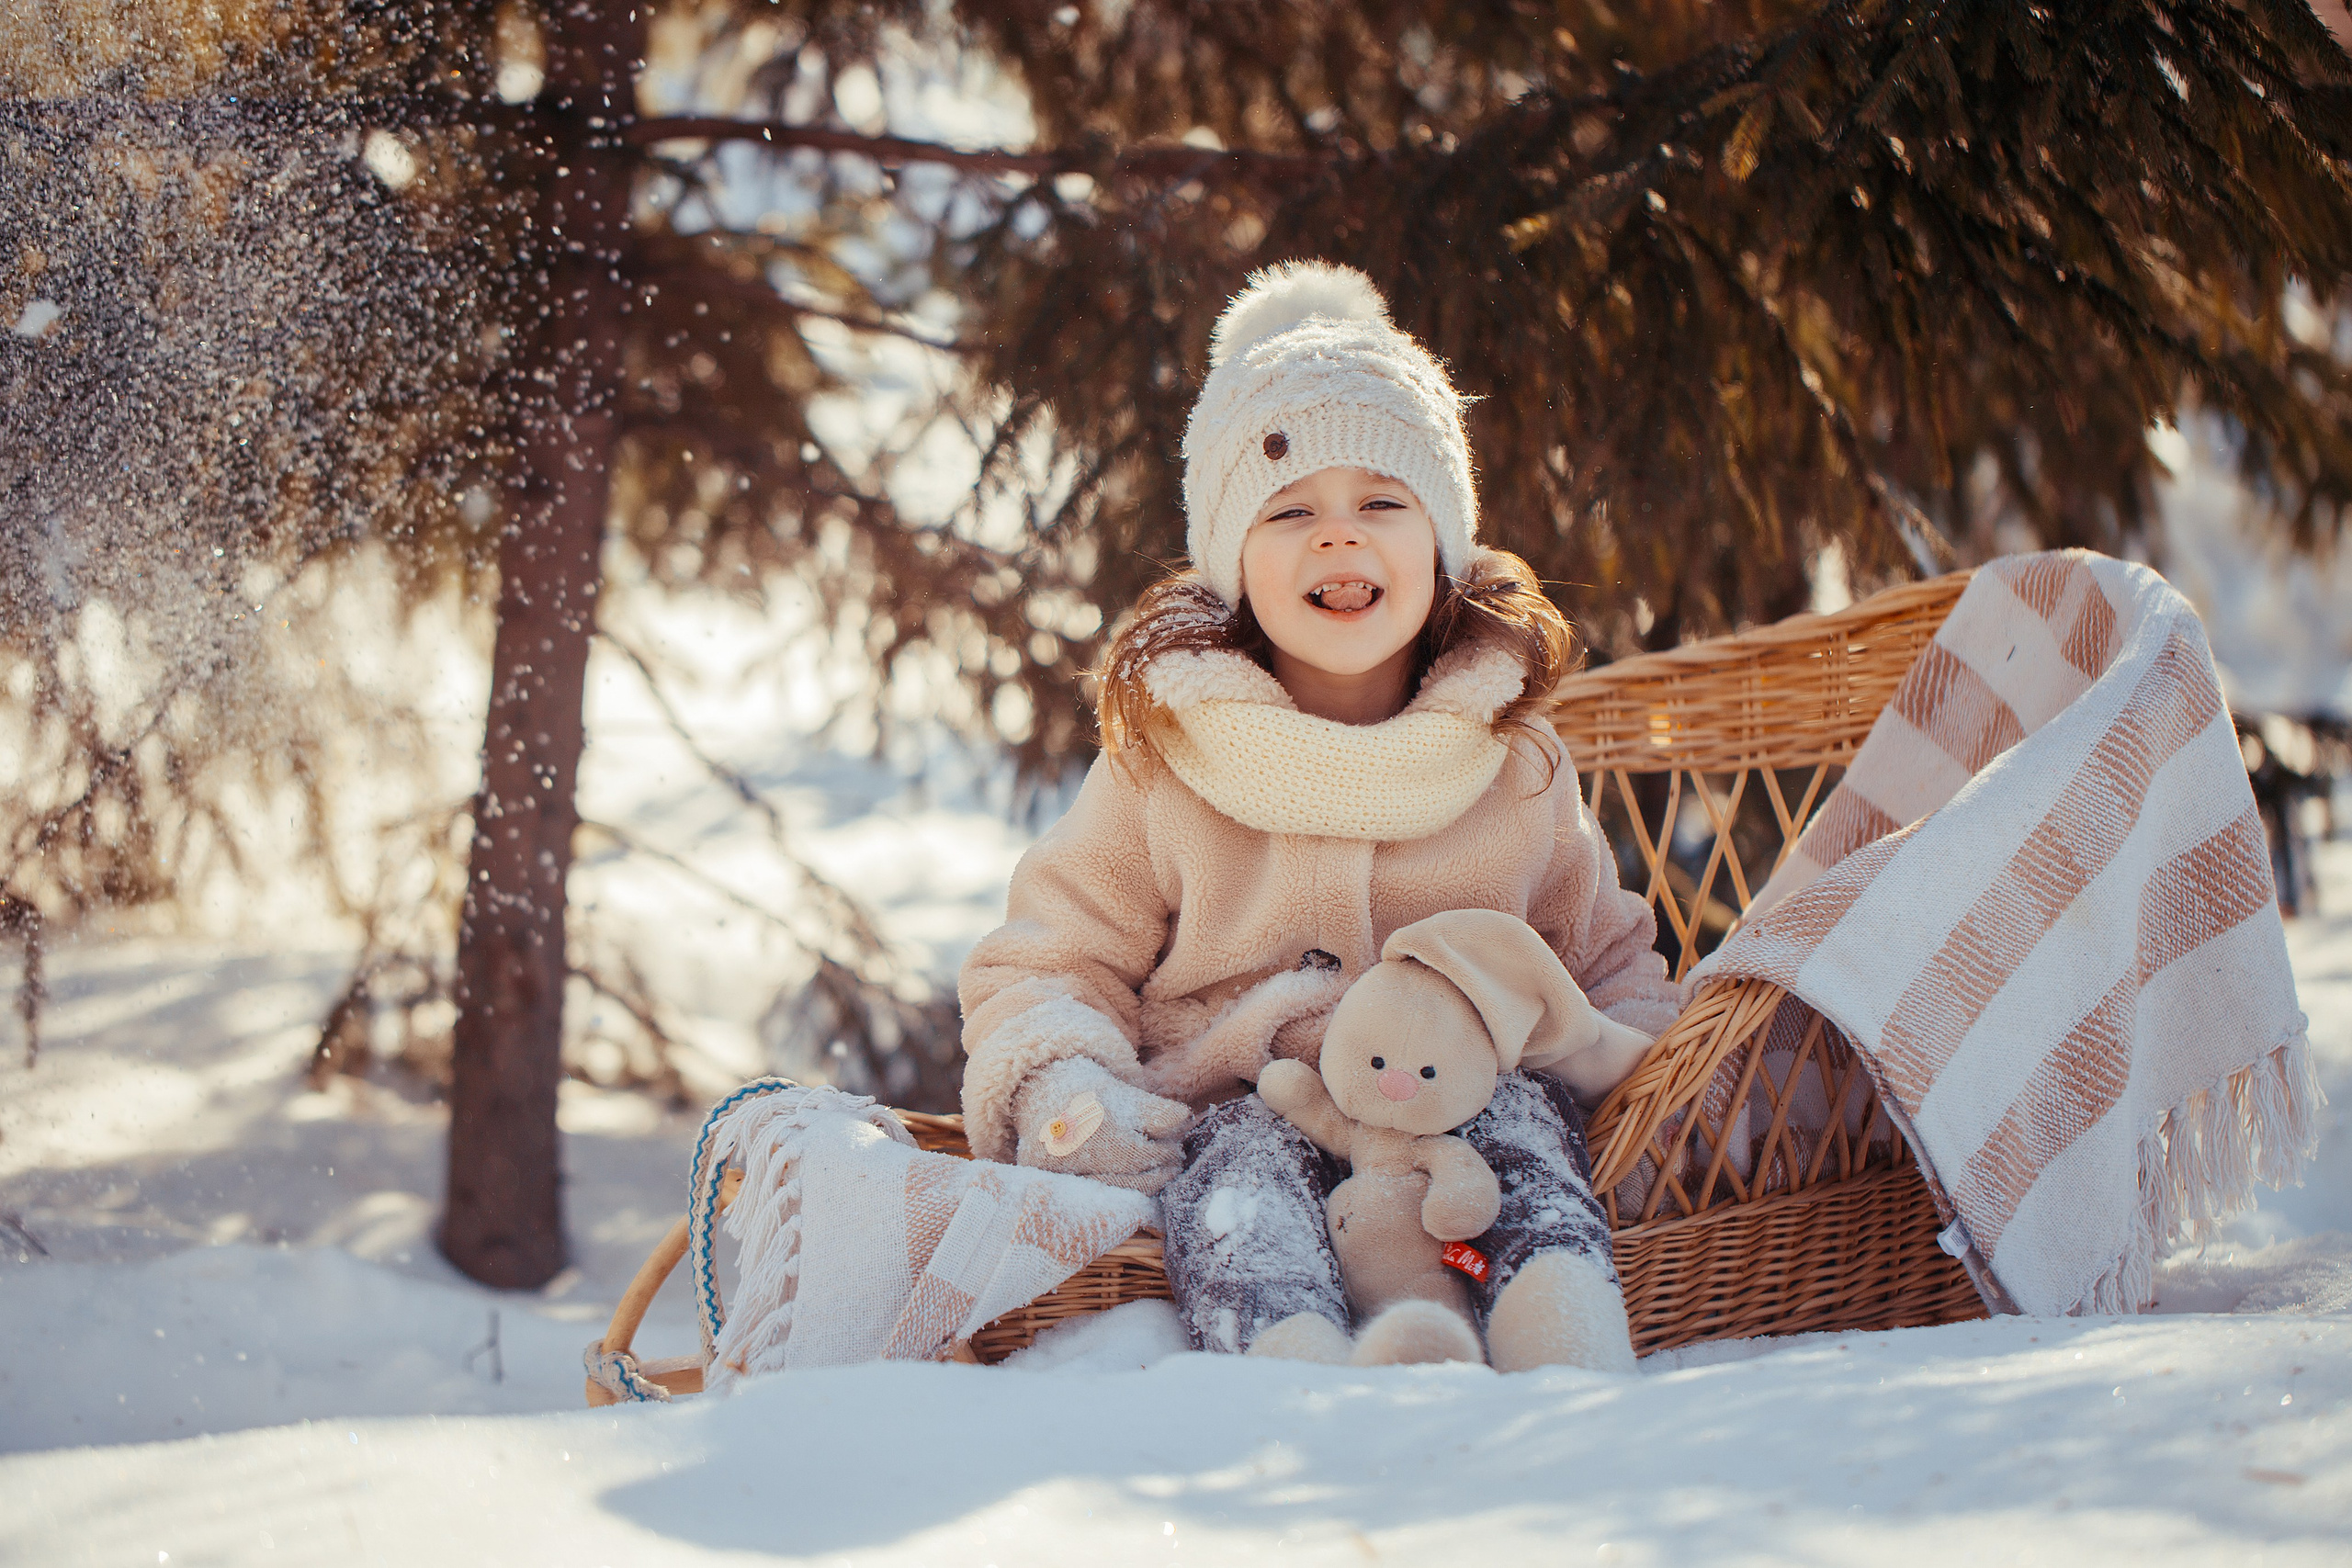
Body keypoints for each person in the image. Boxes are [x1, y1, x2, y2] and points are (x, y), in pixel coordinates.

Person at [956, 261, 1682, 1369]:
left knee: (1529, 1144)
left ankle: (1554, 1323)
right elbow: (1051, 959)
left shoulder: (1510, 760)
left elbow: (1600, 957)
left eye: (1381, 503)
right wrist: (1065, 1090)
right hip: (1252, 1102)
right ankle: (1293, 1354)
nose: (1338, 538)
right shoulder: (1169, 760)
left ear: (1440, 547)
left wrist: (1661, 1081)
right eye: (1290, 510)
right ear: (1232, 563)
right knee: (1239, 1196)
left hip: (1460, 1104)